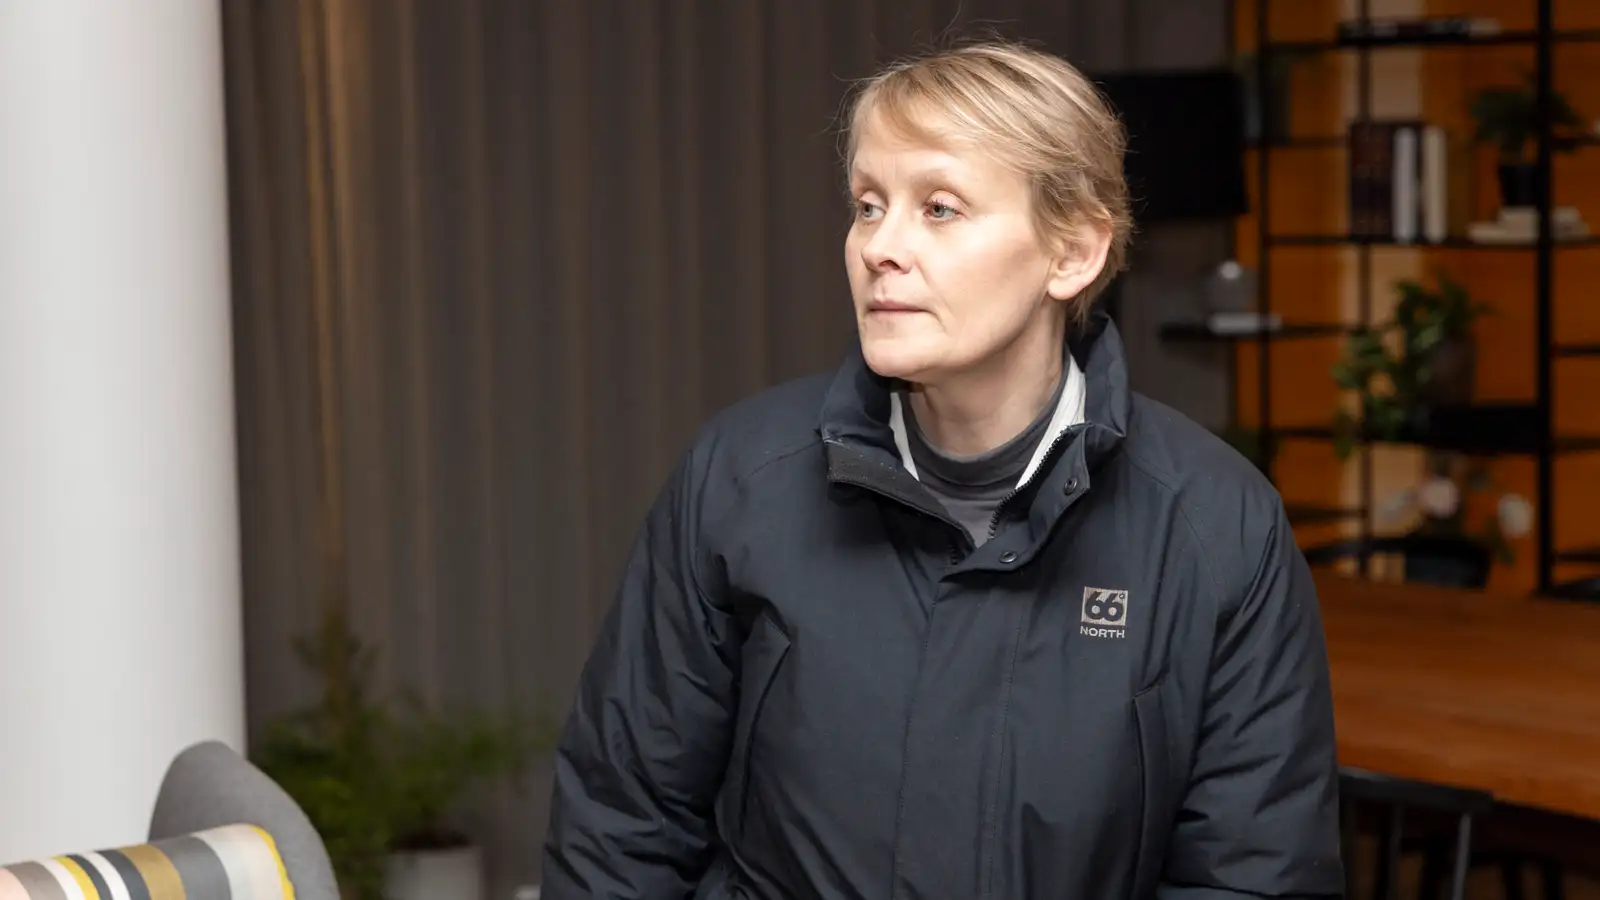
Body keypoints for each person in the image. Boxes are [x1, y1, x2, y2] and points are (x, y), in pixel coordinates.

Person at [541, 39, 1342, 900]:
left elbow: (1256, 876)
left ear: (1072, 253)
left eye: (940, 208)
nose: (880, 247)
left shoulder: (1219, 527)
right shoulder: (739, 480)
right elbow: (619, 826)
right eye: (868, 205)